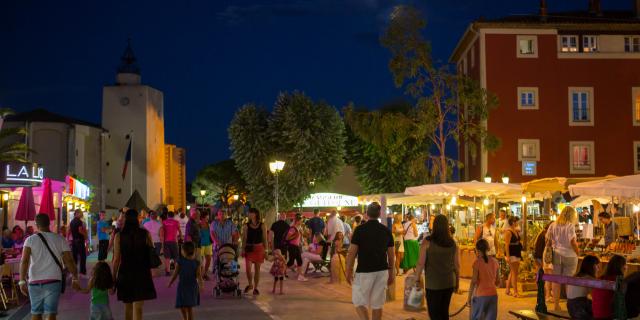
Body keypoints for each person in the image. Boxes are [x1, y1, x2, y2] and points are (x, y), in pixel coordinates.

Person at [19, 214, 80, 320]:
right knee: (51, 314)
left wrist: (21, 281)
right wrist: (75, 278)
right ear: (49, 223)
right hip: (54, 280)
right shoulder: (60, 239)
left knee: (36, 313)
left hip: (35, 281)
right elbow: (69, 261)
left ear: (36, 224)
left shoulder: (30, 240)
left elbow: (24, 261)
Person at [345, 202, 395, 320]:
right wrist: (391, 272)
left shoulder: (360, 230)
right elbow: (391, 255)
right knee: (377, 304)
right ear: (379, 214)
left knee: (359, 301)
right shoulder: (386, 231)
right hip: (382, 270)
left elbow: (352, 253)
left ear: (366, 214)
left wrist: (348, 270)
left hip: (364, 271)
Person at [113, 209, 157, 320]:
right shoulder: (145, 234)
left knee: (128, 306)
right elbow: (151, 252)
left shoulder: (119, 236)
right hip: (141, 272)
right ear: (137, 219)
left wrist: (113, 277)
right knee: (138, 307)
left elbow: (116, 259)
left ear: (126, 219)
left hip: (125, 272)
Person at [415, 215, 460, 320]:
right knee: (444, 312)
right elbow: (457, 266)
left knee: (434, 314)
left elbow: (420, 263)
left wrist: (416, 279)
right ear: (446, 226)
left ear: (434, 226)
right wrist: (457, 282)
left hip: (433, 284)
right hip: (449, 282)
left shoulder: (427, 242)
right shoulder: (453, 243)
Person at [546, 206, 580, 311]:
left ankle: (556, 305)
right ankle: (570, 306)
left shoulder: (553, 225)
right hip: (569, 255)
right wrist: (577, 252)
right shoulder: (570, 226)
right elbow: (573, 242)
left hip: (556, 254)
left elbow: (547, 239)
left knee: (556, 281)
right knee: (569, 281)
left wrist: (553, 245)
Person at [168, 241, 202, 320]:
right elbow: (199, 276)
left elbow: (175, 274)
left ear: (183, 251)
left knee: (185, 306)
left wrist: (170, 282)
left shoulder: (193, 263)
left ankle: (185, 318)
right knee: (186, 306)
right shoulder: (182, 262)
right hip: (189, 286)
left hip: (185, 287)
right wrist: (201, 285)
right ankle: (185, 318)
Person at [468, 239, 499, 320]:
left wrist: (469, 298)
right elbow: (498, 281)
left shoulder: (477, 263)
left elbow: (473, 282)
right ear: (487, 249)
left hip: (480, 296)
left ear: (477, 250)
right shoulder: (495, 262)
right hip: (493, 295)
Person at [241, 208, 268, 295]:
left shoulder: (262, 225)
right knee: (248, 269)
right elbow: (244, 238)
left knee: (257, 269)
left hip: (259, 248)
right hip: (249, 248)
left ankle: (255, 288)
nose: (249, 214)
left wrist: (266, 250)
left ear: (256, 214)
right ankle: (250, 284)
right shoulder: (246, 226)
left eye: (251, 213)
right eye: (249, 213)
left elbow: (265, 239)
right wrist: (242, 249)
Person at [592, 254, 626, 319]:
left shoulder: (601, 278)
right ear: (622, 267)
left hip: (596, 314)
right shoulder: (618, 280)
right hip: (608, 315)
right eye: (625, 265)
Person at [566, 255, 599, 319]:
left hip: (570, 307)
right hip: (581, 308)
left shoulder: (575, 276)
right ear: (593, 266)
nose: (598, 269)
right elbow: (596, 297)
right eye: (597, 266)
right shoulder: (589, 278)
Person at [533, 223, 553, 302]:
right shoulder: (545, 235)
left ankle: (542, 293)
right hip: (541, 257)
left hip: (539, 257)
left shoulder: (541, 233)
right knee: (543, 276)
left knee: (541, 275)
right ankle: (544, 294)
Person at [504, 216, 523, 298]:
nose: (517, 223)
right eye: (516, 221)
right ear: (512, 222)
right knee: (515, 273)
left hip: (516, 252)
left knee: (513, 272)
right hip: (511, 254)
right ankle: (515, 292)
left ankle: (507, 289)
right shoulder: (508, 232)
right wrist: (508, 256)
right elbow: (506, 245)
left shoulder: (515, 231)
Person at [161, 211, 182, 276]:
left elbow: (162, 232)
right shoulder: (176, 222)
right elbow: (180, 231)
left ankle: (168, 271)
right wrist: (180, 237)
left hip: (166, 241)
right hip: (174, 241)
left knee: (167, 257)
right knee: (176, 257)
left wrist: (162, 241)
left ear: (167, 216)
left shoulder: (164, 222)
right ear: (173, 216)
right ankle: (176, 271)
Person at [286, 213, 305, 281]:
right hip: (292, 246)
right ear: (297, 221)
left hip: (296, 246)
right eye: (301, 221)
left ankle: (299, 276)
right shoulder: (293, 228)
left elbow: (299, 237)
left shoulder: (298, 228)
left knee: (299, 261)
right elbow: (287, 238)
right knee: (291, 262)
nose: (302, 222)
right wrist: (295, 235)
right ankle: (282, 272)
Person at [69, 209, 88, 275]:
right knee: (83, 257)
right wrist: (85, 234)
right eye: (80, 213)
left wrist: (68, 240)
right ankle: (82, 271)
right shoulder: (79, 221)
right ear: (76, 213)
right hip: (80, 241)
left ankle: (74, 272)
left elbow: (69, 231)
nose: (81, 214)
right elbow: (80, 230)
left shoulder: (71, 222)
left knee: (75, 258)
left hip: (74, 241)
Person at [198, 212, 213, 280]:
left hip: (208, 244)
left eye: (208, 218)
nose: (208, 219)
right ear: (202, 218)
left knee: (209, 259)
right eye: (207, 218)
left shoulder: (209, 225)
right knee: (201, 261)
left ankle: (205, 273)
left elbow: (211, 234)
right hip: (200, 244)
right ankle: (200, 275)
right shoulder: (198, 225)